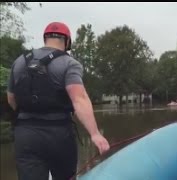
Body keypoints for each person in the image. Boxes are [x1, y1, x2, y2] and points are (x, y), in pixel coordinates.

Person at [7, 22, 110, 180]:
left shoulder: (20, 61)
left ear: (45, 38)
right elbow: (79, 98)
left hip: (25, 134)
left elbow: (11, 99)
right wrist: (95, 134)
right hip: (59, 134)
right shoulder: (69, 63)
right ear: (67, 41)